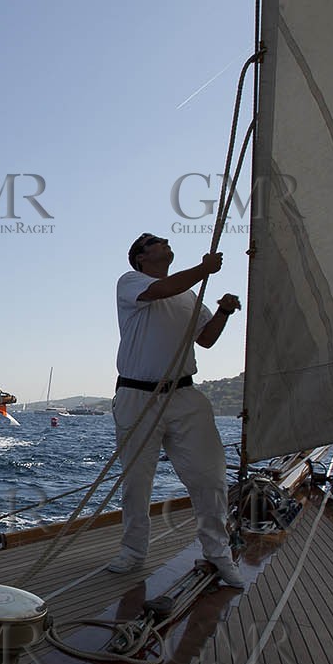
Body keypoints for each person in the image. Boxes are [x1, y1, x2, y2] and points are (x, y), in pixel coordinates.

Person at [109, 233, 243, 586]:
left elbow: (207, 339)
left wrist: (225, 312)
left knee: (210, 478)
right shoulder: (131, 283)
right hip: (138, 396)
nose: (165, 241)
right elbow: (159, 292)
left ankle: (218, 555)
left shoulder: (187, 294)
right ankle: (134, 552)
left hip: (185, 396)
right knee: (138, 481)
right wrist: (204, 268)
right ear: (140, 257)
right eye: (154, 241)